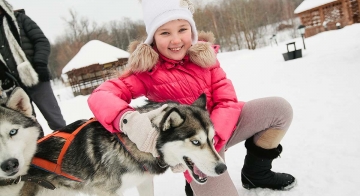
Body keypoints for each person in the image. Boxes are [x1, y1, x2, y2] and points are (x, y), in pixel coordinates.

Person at [88, 0, 296, 195]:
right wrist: (129, 120)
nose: (176, 40)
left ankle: (256, 174)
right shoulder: (147, 71)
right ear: (153, 37)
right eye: (165, 32)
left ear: (192, 30)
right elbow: (101, 95)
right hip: (194, 147)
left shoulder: (205, 58)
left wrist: (213, 137)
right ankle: (195, 184)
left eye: (182, 29)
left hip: (220, 129)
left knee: (279, 109)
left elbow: (227, 101)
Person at [0, 0, 66, 133]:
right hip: (12, 86)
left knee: (56, 121)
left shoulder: (20, 19)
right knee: (26, 126)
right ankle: (39, 151)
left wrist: (40, 65)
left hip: (36, 77)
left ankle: (68, 149)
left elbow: (41, 41)